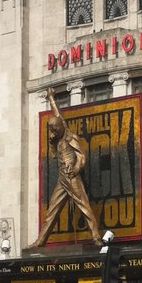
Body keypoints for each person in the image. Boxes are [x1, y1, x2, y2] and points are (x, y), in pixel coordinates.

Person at [30, 87, 102, 247]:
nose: (54, 133)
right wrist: (51, 98)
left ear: (61, 127)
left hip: (72, 177)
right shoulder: (59, 128)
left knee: (84, 206)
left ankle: (96, 236)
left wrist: (76, 168)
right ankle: (41, 241)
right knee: (52, 211)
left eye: (55, 130)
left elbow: (82, 156)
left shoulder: (70, 137)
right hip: (62, 178)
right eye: (52, 131)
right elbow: (57, 113)